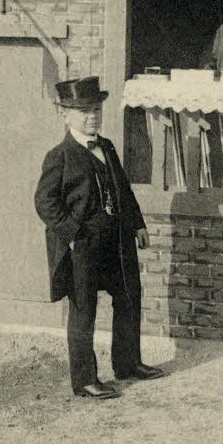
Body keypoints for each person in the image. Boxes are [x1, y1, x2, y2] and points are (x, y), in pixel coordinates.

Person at [34, 75, 165, 399]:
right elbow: (44, 201)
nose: (91, 116)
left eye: (95, 109)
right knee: (83, 310)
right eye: (83, 111)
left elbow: (123, 189)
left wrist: (138, 225)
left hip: (117, 242)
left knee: (129, 297)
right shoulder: (59, 156)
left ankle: (128, 363)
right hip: (84, 246)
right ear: (65, 114)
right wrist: (73, 234)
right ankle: (85, 380)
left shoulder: (106, 146)